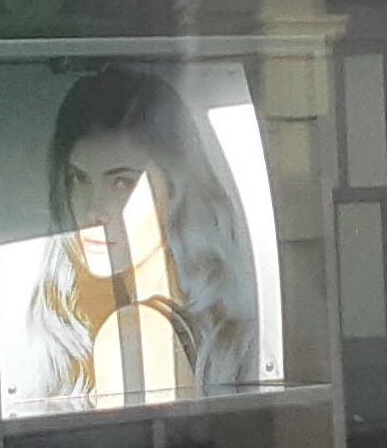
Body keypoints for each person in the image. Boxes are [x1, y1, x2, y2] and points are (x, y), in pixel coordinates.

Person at [23, 65, 264, 409]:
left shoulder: (134, 335)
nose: (94, 210)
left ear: (178, 188)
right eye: (79, 179)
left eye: (122, 182)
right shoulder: (197, 321)